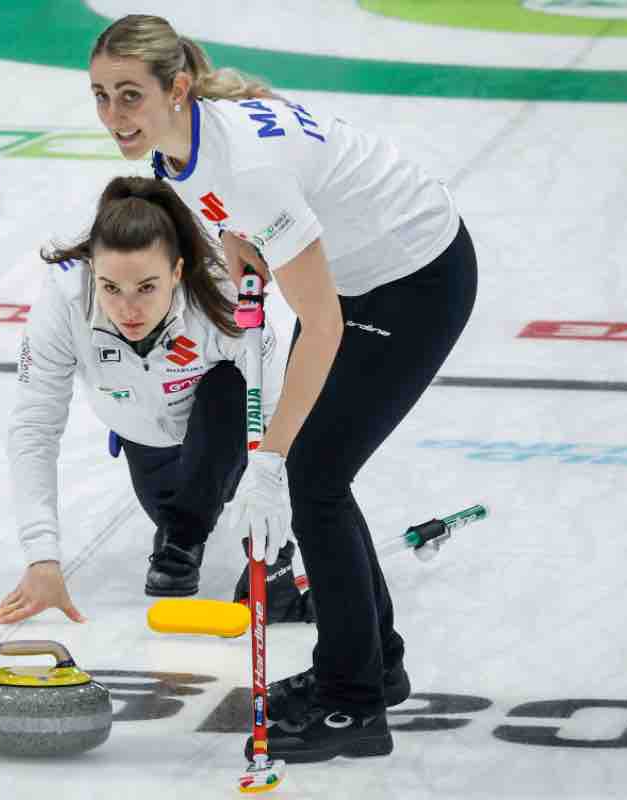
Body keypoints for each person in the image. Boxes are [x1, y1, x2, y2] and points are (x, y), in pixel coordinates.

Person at [88, 15, 478, 763]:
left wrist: (265, 461)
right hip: (358, 274)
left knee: (313, 477)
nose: (113, 117)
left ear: (177, 88)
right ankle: (371, 662)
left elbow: (322, 326)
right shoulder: (180, 147)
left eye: (129, 96)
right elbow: (227, 217)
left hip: (413, 280)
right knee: (318, 474)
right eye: (102, 96)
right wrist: (242, 250)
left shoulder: (245, 168)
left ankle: (352, 704)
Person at [0, 176, 312, 626]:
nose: (128, 309)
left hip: (227, 440)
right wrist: (42, 557)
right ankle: (181, 527)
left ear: (177, 272)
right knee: (174, 511)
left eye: (146, 288)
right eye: (111, 288)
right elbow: (34, 428)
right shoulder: (65, 298)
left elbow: (277, 410)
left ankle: (186, 534)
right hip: (148, 447)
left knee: (229, 388)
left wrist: (276, 553)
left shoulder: (224, 295)